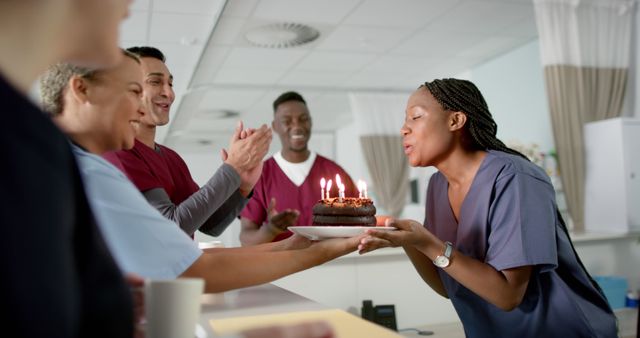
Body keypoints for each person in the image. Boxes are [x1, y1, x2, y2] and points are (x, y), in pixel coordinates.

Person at [41, 58, 364, 293]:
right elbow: (189, 261)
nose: (141, 107)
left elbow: (205, 230)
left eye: (168, 83)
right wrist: (322, 250)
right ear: (81, 89)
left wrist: (244, 189)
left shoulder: (85, 165)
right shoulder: (96, 168)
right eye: (133, 90)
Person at [358, 79, 617, 338]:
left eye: (415, 117)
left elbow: (508, 295)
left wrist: (425, 241)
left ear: (455, 120)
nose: (404, 129)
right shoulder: (438, 186)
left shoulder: (515, 177)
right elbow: (449, 287)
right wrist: (406, 239)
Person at [0, 0, 135, 337]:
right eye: (133, 90)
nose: (130, 7)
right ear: (81, 89)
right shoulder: (20, 140)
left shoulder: (35, 136)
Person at [103, 46, 269, 237]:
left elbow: (210, 224)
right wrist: (232, 168)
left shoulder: (171, 158)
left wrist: (242, 185)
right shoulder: (117, 152)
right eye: (155, 81)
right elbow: (170, 227)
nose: (169, 93)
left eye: (170, 84)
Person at [240, 91, 356, 245]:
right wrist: (271, 230)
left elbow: (358, 224)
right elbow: (246, 239)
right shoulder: (260, 176)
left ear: (311, 122)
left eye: (303, 119)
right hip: (281, 267)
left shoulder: (334, 173)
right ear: (275, 126)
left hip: (329, 264)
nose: (297, 126)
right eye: (287, 121)